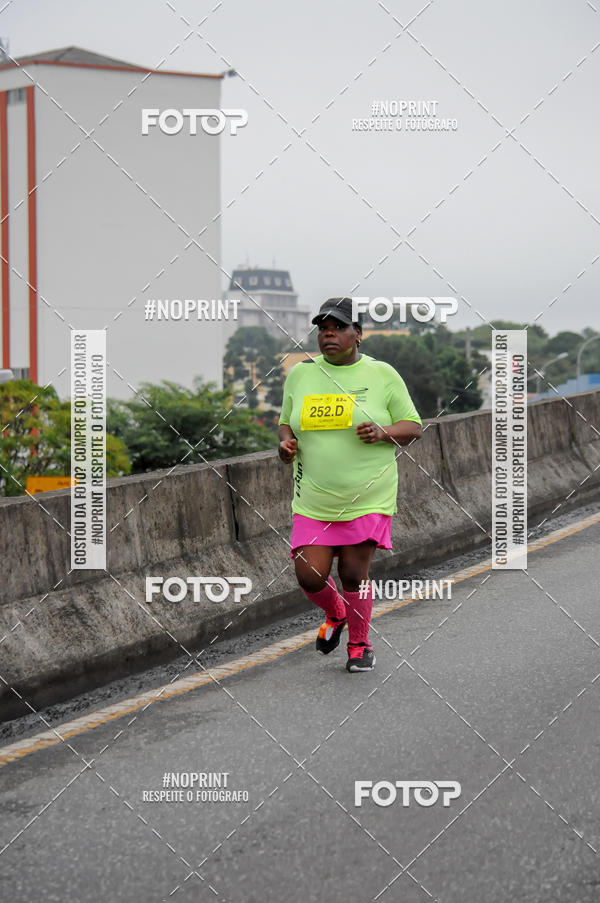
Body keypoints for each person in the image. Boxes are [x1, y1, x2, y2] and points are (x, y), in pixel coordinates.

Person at [277, 297, 422, 672]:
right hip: (313, 498)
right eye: (323, 329)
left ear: (358, 334)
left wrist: (383, 432)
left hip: (366, 496)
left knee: (354, 575)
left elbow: (413, 426)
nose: (329, 334)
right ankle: (336, 613)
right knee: (310, 576)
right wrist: (286, 444)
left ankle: (360, 644)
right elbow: (286, 422)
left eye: (338, 327)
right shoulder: (300, 374)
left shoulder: (382, 374)